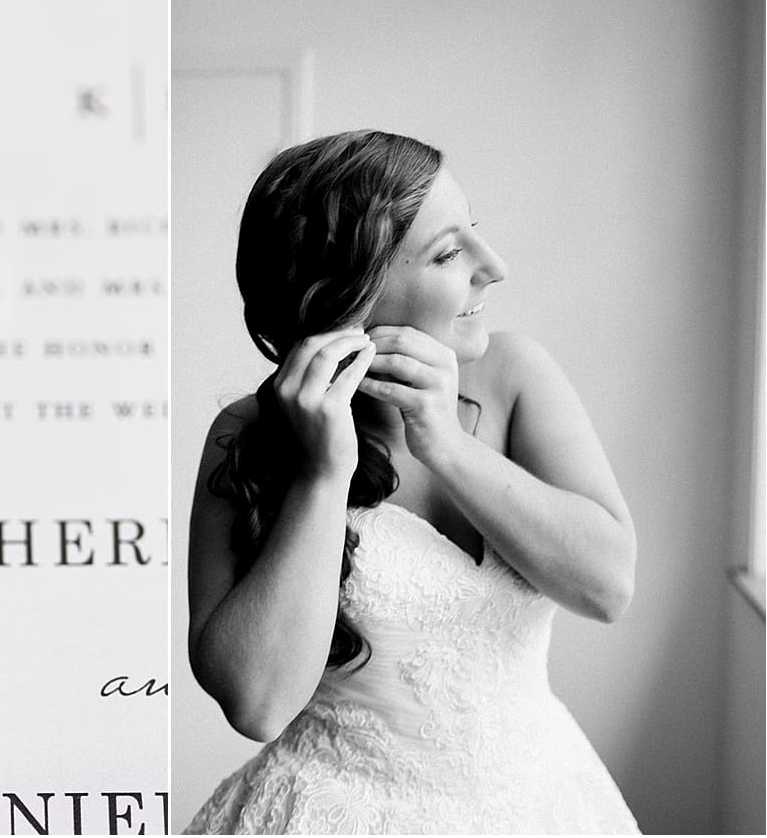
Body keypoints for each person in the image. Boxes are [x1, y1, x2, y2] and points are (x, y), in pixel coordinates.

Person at [184, 130, 640, 834]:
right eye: (449, 253)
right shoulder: (245, 434)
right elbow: (257, 704)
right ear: (350, 296)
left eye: (473, 233)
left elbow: (607, 587)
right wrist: (323, 475)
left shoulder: (516, 375)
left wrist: (447, 445)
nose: (495, 267)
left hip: (542, 800)